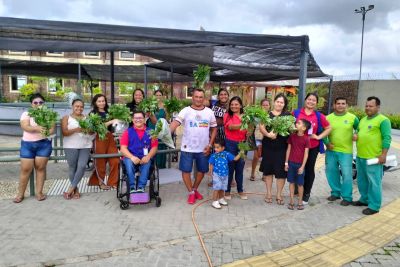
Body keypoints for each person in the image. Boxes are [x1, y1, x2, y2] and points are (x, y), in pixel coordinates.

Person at [170, 88, 217, 204]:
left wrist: (210, 145)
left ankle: (194, 189)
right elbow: (175, 123)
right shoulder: (185, 110)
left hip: (204, 148)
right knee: (186, 170)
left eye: (201, 97)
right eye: (196, 97)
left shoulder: (209, 112)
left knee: (202, 170)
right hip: (187, 147)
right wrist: (165, 132)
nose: (198, 99)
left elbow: (214, 128)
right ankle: (191, 192)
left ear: (204, 98)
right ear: (192, 97)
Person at [353, 96, 391, 215]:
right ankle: (364, 199)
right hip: (360, 156)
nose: (368, 108)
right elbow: (358, 132)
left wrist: (383, 155)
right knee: (362, 180)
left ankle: (374, 206)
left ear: (378, 107)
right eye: (366, 106)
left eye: (371, 106)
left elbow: (387, 138)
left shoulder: (383, 120)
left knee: (374, 182)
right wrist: (356, 135)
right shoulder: (363, 119)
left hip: (374, 158)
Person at [14, 93, 54, 203]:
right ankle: (20, 194)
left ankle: (39, 193)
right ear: (31, 104)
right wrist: (39, 128)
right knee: (25, 169)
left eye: (41, 102)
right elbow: (25, 126)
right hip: (28, 145)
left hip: (44, 144)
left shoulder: (49, 114)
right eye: (35, 102)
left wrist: (45, 131)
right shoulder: (26, 114)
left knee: (40, 169)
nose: (38, 104)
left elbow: (51, 130)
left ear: (44, 104)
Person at [293, 93, 331, 204]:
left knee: (309, 170)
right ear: (305, 100)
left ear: (316, 103)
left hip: (312, 147)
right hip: (298, 146)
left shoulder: (319, 116)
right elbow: (290, 126)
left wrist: (318, 137)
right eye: (309, 99)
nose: (311, 101)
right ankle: (298, 189)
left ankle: (306, 194)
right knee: (297, 168)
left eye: (314, 100)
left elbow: (328, 128)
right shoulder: (296, 113)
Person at [325, 97, 359, 206]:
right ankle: (335, 193)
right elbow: (323, 131)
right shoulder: (328, 118)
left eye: (343, 103)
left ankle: (347, 197)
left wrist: (356, 133)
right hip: (331, 151)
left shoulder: (352, 118)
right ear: (334, 105)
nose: (340, 105)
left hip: (346, 152)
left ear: (346, 105)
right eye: (338, 103)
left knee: (347, 174)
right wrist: (326, 143)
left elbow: (360, 128)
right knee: (331, 172)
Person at [259, 93, 291, 205]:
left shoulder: (287, 115)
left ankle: (279, 194)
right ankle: (268, 193)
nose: (279, 104)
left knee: (281, 172)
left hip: (282, 147)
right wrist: (268, 135)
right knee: (268, 171)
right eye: (278, 101)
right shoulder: (267, 114)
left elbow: (291, 128)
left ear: (284, 104)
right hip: (268, 146)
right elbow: (261, 126)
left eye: (282, 102)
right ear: (274, 102)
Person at [61, 99, 93, 199]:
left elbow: (92, 132)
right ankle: (76, 190)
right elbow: (64, 133)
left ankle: (70, 189)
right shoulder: (66, 118)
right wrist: (76, 129)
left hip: (85, 145)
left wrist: (88, 130)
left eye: (81, 106)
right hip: (70, 146)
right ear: (72, 106)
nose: (79, 108)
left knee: (82, 166)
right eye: (77, 106)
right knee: (72, 167)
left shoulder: (87, 117)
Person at [120, 110, 158, 193]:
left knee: (147, 162)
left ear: (144, 119)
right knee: (128, 162)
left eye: (140, 118)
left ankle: (141, 187)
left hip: (145, 156)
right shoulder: (127, 132)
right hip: (131, 156)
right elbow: (123, 149)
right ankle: (132, 186)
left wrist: (148, 156)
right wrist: (132, 157)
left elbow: (154, 147)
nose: (138, 120)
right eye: (136, 118)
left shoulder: (151, 132)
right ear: (132, 120)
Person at [88, 94, 120, 190]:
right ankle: (100, 182)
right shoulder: (92, 114)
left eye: (103, 101)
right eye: (99, 101)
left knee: (115, 160)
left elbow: (114, 126)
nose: (102, 103)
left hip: (110, 137)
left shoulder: (109, 112)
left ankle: (113, 182)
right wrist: (110, 122)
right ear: (95, 103)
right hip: (99, 138)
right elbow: (97, 127)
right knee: (100, 161)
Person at [223, 96, 248, 200]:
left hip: (243, 144)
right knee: (230, 167)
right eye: (232, 104)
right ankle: (227, 191)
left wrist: (250, 127)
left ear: (241, 105)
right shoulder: (227, 115)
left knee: (240, 168)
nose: (234, 106)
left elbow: (249, 132)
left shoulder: (246, 116)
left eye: (236, 104)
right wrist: (246, 123)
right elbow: (231, 127)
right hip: (230, 144)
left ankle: (240, 190)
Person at [285, 119, 311, 210]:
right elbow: (288, 149)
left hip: (300, 165)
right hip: (291, 163)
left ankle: (300, 201)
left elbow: (306, 153)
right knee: (291, 182)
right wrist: (286, 163)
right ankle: (291, 200)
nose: (296, 123)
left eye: (299, 123)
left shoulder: (307, 138)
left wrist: (303, 166)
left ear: (304, 128)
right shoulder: (292, 137)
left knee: (300, 184)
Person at [208, 139, 240, 209]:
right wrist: (210, 172)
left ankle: (221, 199)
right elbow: (211, 164)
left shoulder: (226, 154)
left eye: (217, 147)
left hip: (225, 175)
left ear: (223, 148)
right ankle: (215, 201)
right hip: (217, 174)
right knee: (217, 188)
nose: (215, 149)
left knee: (222, 188)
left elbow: (235, 159)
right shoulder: (213, 155)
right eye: (215, 147)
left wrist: (241, 153)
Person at [249, 98, 270, 181]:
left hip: (268, 139)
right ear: (261, 106)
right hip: (257, 138)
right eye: (263, 105)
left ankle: (264, 174)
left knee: (267, 157)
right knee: (256, 156)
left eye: (267, 105)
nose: (265, 106)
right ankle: (253, 173)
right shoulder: (256, 115)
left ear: (269, 106)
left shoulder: (271, 115)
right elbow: (251, 126)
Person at [146, 90, 167, 169]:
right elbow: (149, 117)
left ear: (162, 96)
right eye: (156, 95)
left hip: (162, 127)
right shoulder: (150, 106)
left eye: (160, 95)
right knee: (152, 145)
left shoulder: (165, 106)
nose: (158, 97)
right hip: (152, 127)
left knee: (161, 146)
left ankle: (161, 166)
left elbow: (166, 118)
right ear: (154, 96)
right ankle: (152, 166)